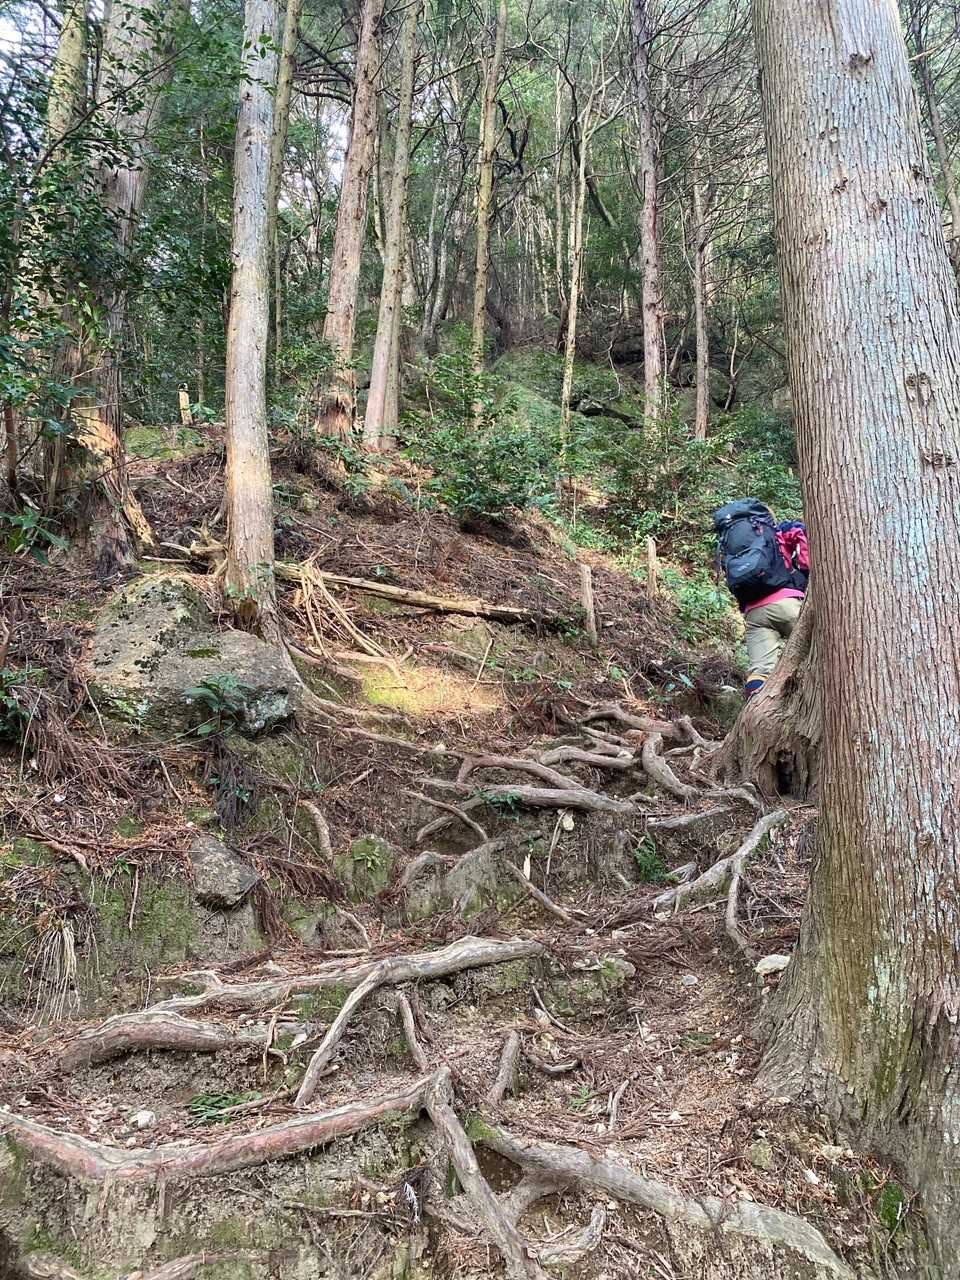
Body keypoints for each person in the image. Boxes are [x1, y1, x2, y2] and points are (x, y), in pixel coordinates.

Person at [712, 499, 809, 699]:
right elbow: (803, 546)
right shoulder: (779, 531)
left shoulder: (732, 543)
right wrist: (806, 575)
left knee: (760, 672)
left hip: (755, 614)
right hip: (788, 603)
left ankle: (755, 711)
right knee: (818, 655)